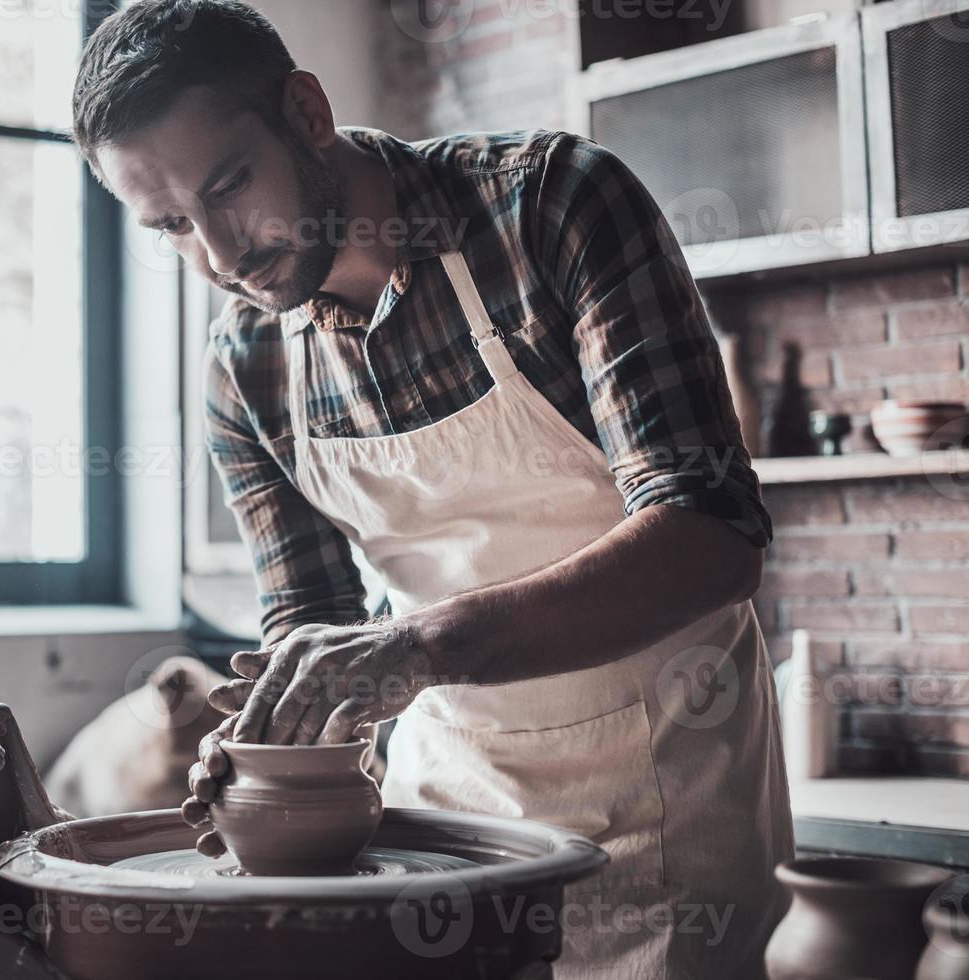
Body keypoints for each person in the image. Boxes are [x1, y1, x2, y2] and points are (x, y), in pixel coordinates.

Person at [70, 1, 793, 975]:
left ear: (305, 109)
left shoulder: (551, 209)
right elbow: (311, 628)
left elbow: (710, 535)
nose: (221, 256)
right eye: (169, 228)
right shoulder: (245, 365)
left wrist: (417, 646)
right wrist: (263, 741)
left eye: (229, 185)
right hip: (437, 818)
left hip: (666, 792)